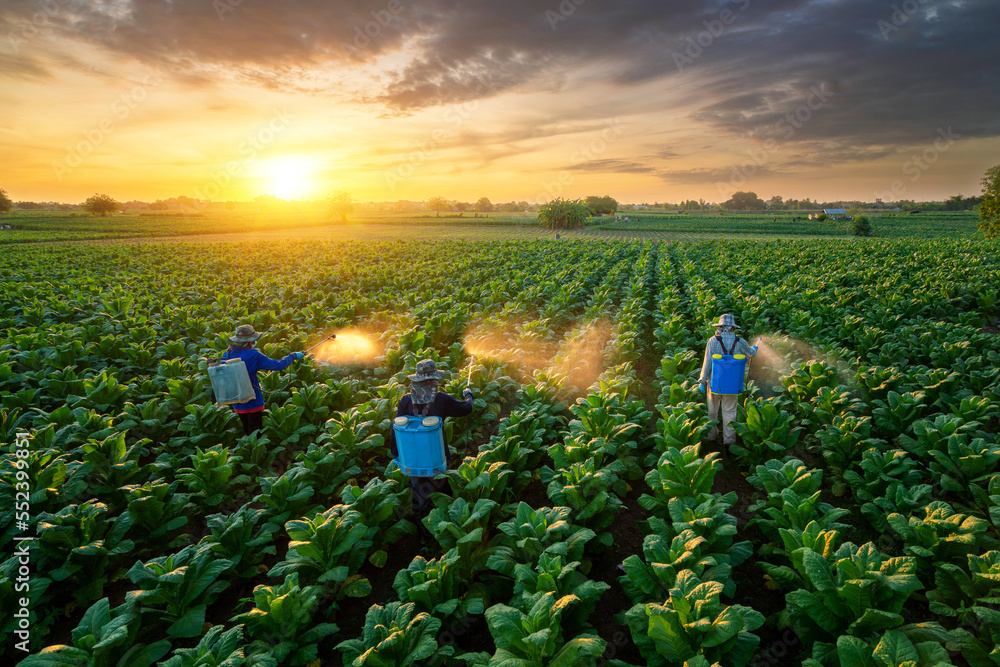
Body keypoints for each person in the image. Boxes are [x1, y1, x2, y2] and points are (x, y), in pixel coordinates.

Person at [388, 359, 474, 542]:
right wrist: (468, 395)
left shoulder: (405, 400)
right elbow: (466, 409)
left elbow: (394, 429)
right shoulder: (442, 399)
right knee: (443, 494)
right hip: (438, 457)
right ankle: (444, 533)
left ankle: (424, 536)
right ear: (434, 380)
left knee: (419, 497)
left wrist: (397, 455)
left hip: (412, 461)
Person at [223, 324, 306, 435]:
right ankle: (257, 450)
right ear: (249, 342)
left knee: (248, 432)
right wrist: (293, 356)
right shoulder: (253, 355)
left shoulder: (227, 354)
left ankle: (251, 447)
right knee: (256, 433)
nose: (254, 342)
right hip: (252, 401)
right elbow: (278, 365)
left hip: (236, 401)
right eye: (254, 340)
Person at [697, 314, 758, 447]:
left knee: (712, 411)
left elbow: (707, 363)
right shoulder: (740, 341)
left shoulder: (712, 341)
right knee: (730, 412)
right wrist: (754, 349)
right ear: (732, 328)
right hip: (732, 385)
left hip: (714, 384)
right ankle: (729, 441)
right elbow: (751, 354)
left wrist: (702, 381)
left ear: (720, 326)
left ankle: (711, 437)